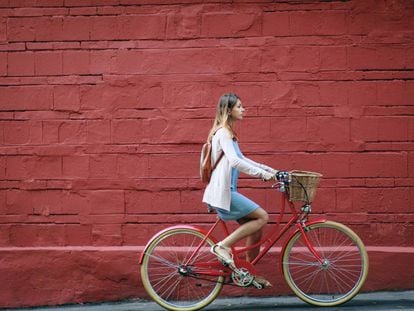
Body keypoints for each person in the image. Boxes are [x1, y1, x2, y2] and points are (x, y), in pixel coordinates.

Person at [202, 93, 278, 287]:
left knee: (256, 229)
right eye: (239, 106)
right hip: (223, 192)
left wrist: (271, 171)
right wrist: (262, 175)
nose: (243, 109)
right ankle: (222, 247)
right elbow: (235, 161)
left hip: (227, 191)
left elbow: (242, 159)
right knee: (262, 217)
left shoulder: (229, 133)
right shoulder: (223, 133)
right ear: (229, 110)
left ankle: (248, 274)